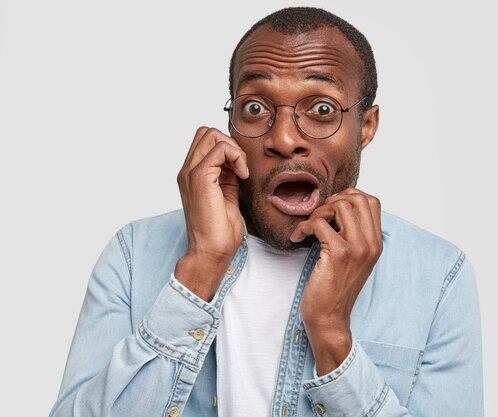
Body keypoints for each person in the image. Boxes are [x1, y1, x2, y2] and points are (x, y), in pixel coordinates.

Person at [49, 7, 483, 417]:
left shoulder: (438, 275)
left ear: (365, 127)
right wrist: (200, 270)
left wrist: (332, 336)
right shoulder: (134, 254)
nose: (284, 138)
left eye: (322, 110)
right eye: (255, 108)